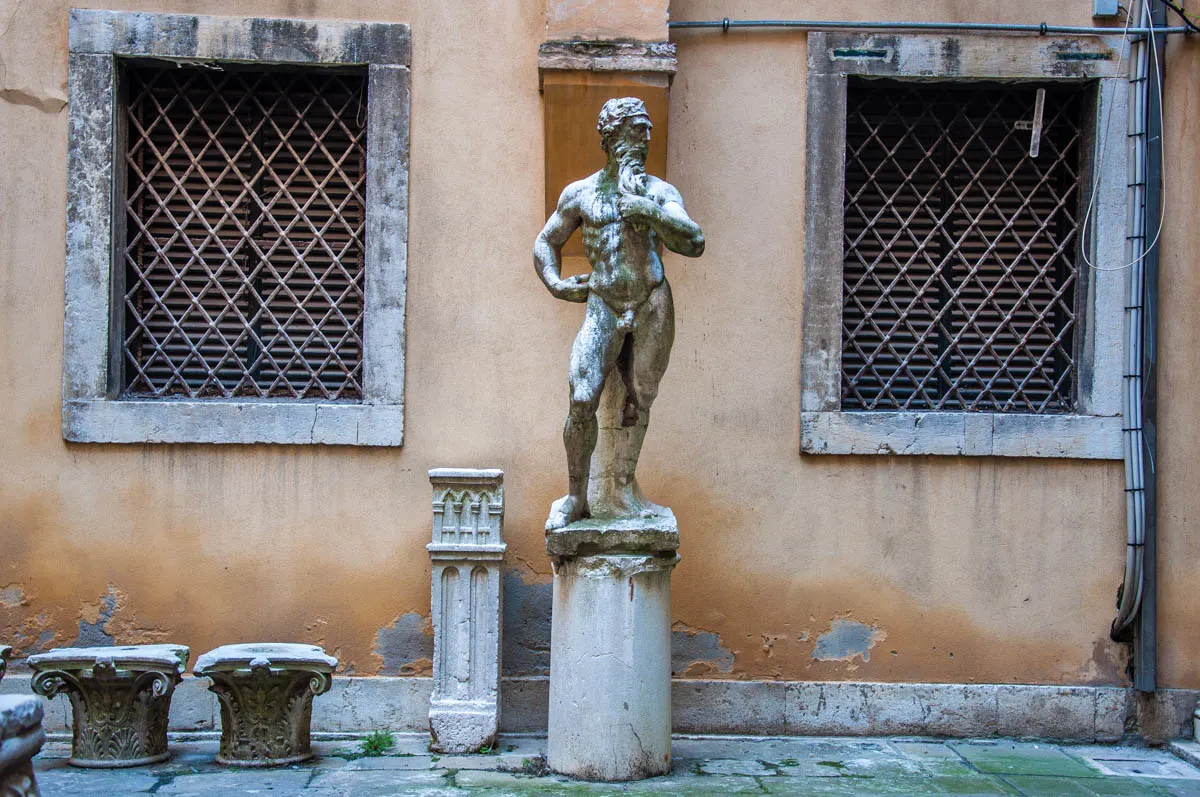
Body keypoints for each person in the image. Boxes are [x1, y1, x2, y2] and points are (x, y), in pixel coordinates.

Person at [534, 97, 705, 530]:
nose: (645, 138)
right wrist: (555, 283)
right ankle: (577, 497)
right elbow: (545, 242)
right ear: (610, 137)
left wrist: (648, 212)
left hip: (651, 301)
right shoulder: (581, 193)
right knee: (581, 396)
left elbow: (694, 241)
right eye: (635, 129)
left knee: (641, 395)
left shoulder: (660, 192)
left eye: (646, 130)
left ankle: (625, 487)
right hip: (604, 303)